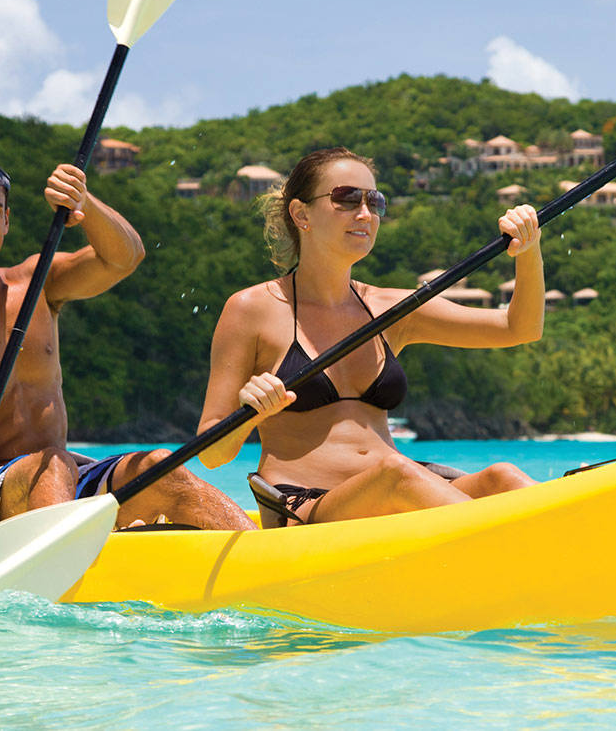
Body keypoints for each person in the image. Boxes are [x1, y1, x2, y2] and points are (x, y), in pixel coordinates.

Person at [0, 150, 253, 532]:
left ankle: (259, 557)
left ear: (7, 220)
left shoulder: (37, 283)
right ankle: (67, 566)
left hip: (64, 477)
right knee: (53, 465)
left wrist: (84, 202)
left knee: (158, 465)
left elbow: (125, 258)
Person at [196, 147, 539, 526]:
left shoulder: (392, 308)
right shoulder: (251, 309)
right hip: (308, 507)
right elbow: (211, 453)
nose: (365, 213)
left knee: (501, 476)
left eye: (374, 201)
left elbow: (518, 328)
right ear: (301, 214)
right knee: (397, 473)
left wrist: (528, 249)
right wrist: (249, 414)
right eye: (346, 198)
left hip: (400, 489)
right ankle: (514, 542)